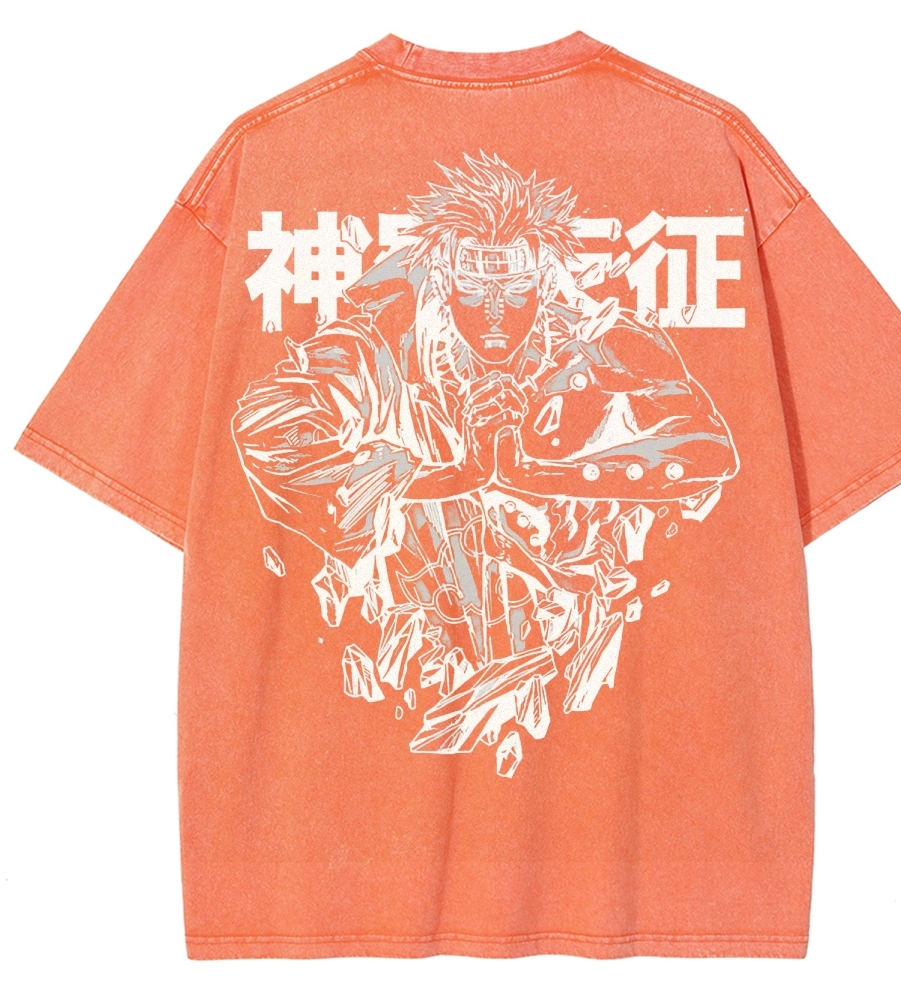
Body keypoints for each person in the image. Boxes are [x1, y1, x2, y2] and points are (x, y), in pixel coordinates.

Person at [232, 153, 738, 759]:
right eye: (474, 290)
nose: (495, 315)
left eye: (515, 290)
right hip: (406, 675)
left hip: (581, 684)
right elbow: (266, 431)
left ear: (543, 282)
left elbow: (709, 448)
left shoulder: (601, 339)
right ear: (444, 280)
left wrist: (540, 474)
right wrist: (448, 477)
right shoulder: (380, 342)